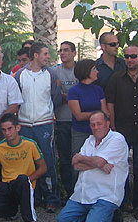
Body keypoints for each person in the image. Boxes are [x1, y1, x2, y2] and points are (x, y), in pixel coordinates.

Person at [105, 44, 138, 220]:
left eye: (133, 56)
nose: (130, 60)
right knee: (120, 168)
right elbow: (110, 104)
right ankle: (123, 201)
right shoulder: (116, 78)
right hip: (121, 129)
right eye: (127, 56)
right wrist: (112, 128)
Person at [57, 111, 129, 222]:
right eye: (93, 125)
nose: (96, 127)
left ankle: (107, 214)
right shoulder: (89, 140)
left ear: (107, 123)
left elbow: (97, 161)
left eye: (99, 124)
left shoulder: (117, 139)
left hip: (105, 195)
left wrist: (84, 158)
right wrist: (99, 165)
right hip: (82, 195)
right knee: (63, 221)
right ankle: (97, 215)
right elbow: (76, 164)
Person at [15, 42, 62, 213]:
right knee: (28, 163)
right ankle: (32, 196)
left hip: (44, 124)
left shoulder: (51, 74)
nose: (48, 57)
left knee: (47, 160)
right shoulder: (20, 74)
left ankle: (51, 197)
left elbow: (56, 98)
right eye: (45, 54)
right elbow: (16, 99)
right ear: (35, 55)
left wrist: (47, 114)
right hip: (25, 124)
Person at [0, 113, 47, 222]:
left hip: (24, 183)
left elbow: (43, 168)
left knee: (22, 179)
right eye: (4, 130)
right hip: (7, 184)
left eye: (10, 129)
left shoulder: (30, 144)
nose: (7, 133)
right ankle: (11, 211)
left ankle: (29, 218)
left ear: (18, 128)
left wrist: (29, 179)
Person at [66, 59, 107, 194]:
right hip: (80, 132)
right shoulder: (74, 91)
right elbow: (78, 115)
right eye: (94, 69)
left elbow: (105, 111)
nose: (97, 72)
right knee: (78, 164)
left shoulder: (98, 89)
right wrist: (97, 115)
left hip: (100, 133)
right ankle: (76, 195)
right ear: (86, 71)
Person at [53, 41, 78, 201]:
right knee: (64, 160)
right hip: (61, 120)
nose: (63, 53)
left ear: (74, 53)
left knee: (78, 157)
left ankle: (79, 192)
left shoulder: (80, 71)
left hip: (79, 121)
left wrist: (67, 96)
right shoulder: (55, 72)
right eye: (61, 50)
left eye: (67, 50)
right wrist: (73, 96)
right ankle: (68, 194)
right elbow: (56, 95)